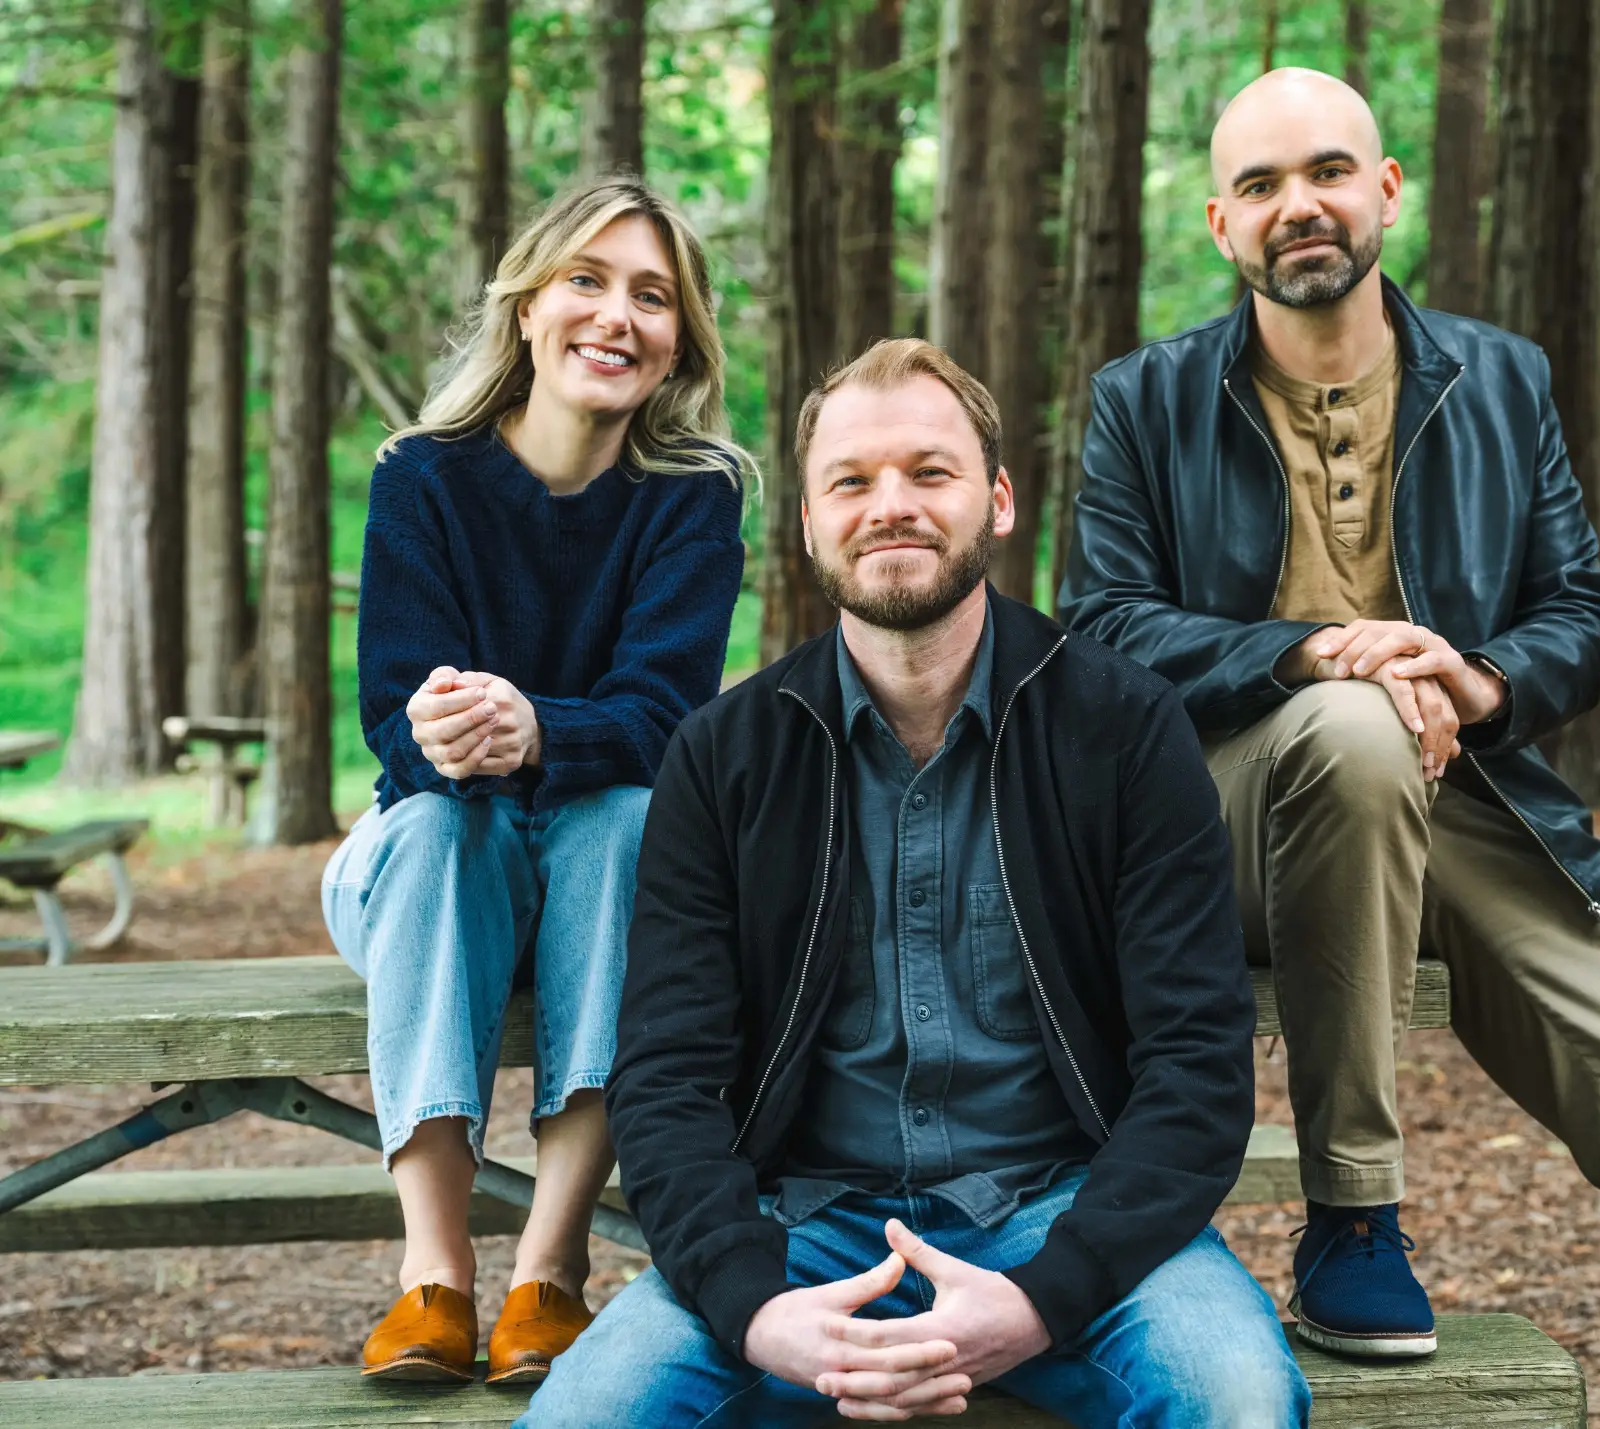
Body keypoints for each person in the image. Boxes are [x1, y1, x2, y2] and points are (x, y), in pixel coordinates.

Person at [1059, 68, 1600, 1429]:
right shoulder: (1143, 401)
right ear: (1222, 223)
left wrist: (1479, 671)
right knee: (1346, 723)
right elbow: (1098, 631)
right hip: (1224, 815)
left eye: (1330, 171)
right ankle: (1354, 1219)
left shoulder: (1503, 380)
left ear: (1386, 189)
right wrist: (1307, 652)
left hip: (1477, 809)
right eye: (1264, 187)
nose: (1301, 207)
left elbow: (1576, 615)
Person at [519, 339, 1310, 1427]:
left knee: (1239, 1401)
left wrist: (1043, 1296)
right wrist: (756, 1310)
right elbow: (664, 1080)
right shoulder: (720, 754)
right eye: (850, 480)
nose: (889, 504)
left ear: (996, 500)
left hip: (1063, 1209)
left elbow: (1196, 1063)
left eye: (928, 472)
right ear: (806, 525)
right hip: (796, 1229)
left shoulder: (1124, 728)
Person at [320, 178, 750, 1386]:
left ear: (678, 342)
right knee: (438, 824)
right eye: (587, 280)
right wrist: (449, 734)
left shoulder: (693, 496)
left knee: (631, 821)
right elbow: (393, 727)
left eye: (651, 296)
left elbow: (664, 723)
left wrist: (535, 729)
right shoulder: (422, 477)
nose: (616, 315)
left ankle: (546, 1273)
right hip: (429, 876)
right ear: (527, 307)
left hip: (596, 875)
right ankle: (433, 1274)